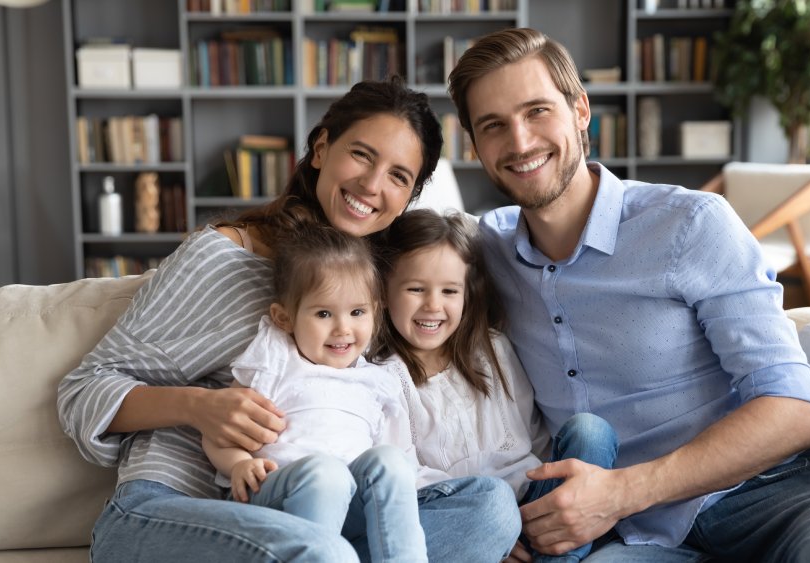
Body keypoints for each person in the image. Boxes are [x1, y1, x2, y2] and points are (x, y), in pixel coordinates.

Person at [447, 28, 810, 563]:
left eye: (537, 112)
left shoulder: (689, 226)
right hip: (630, 536)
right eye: (494, 126)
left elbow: (792, 410)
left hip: (768, 493)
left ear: (580, 110)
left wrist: (620, 492)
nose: (521, 142)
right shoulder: (481, 253)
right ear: (474, 146)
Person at [57, 78, 519, 563]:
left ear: (409, 197)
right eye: (361, 155)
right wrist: (198, 407)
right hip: (175, 506)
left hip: (319, 508)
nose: (372, 184)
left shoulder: (382, 285)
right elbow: (83, 390)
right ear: (321, 148)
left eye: (399, 176)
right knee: (321, 551)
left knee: (491, 510)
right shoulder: (224, 257)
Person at [371, 208, 619, 563]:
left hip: (533, 505)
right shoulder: (385, 377)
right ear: (384, 290)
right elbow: (406, 480)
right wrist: (497, 532)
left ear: (467, 295)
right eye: (415, 289)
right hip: (471, 513)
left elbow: (534, 437)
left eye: (449, 291)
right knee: (493, 503)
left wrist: (541, 512)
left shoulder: (492, 350)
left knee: (591, 431)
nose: (433, 305)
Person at [203, 223, 430, 563]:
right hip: (277, 495)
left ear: (375, 311)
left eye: (357, 312)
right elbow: (218, 430)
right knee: (327, 473)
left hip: (351, 506)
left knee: (391, 462)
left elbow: (395, 467)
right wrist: (239, 465)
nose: (343, 328)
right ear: (284, 318)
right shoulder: (275, 358)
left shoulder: (377, 381)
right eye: (324, 313)